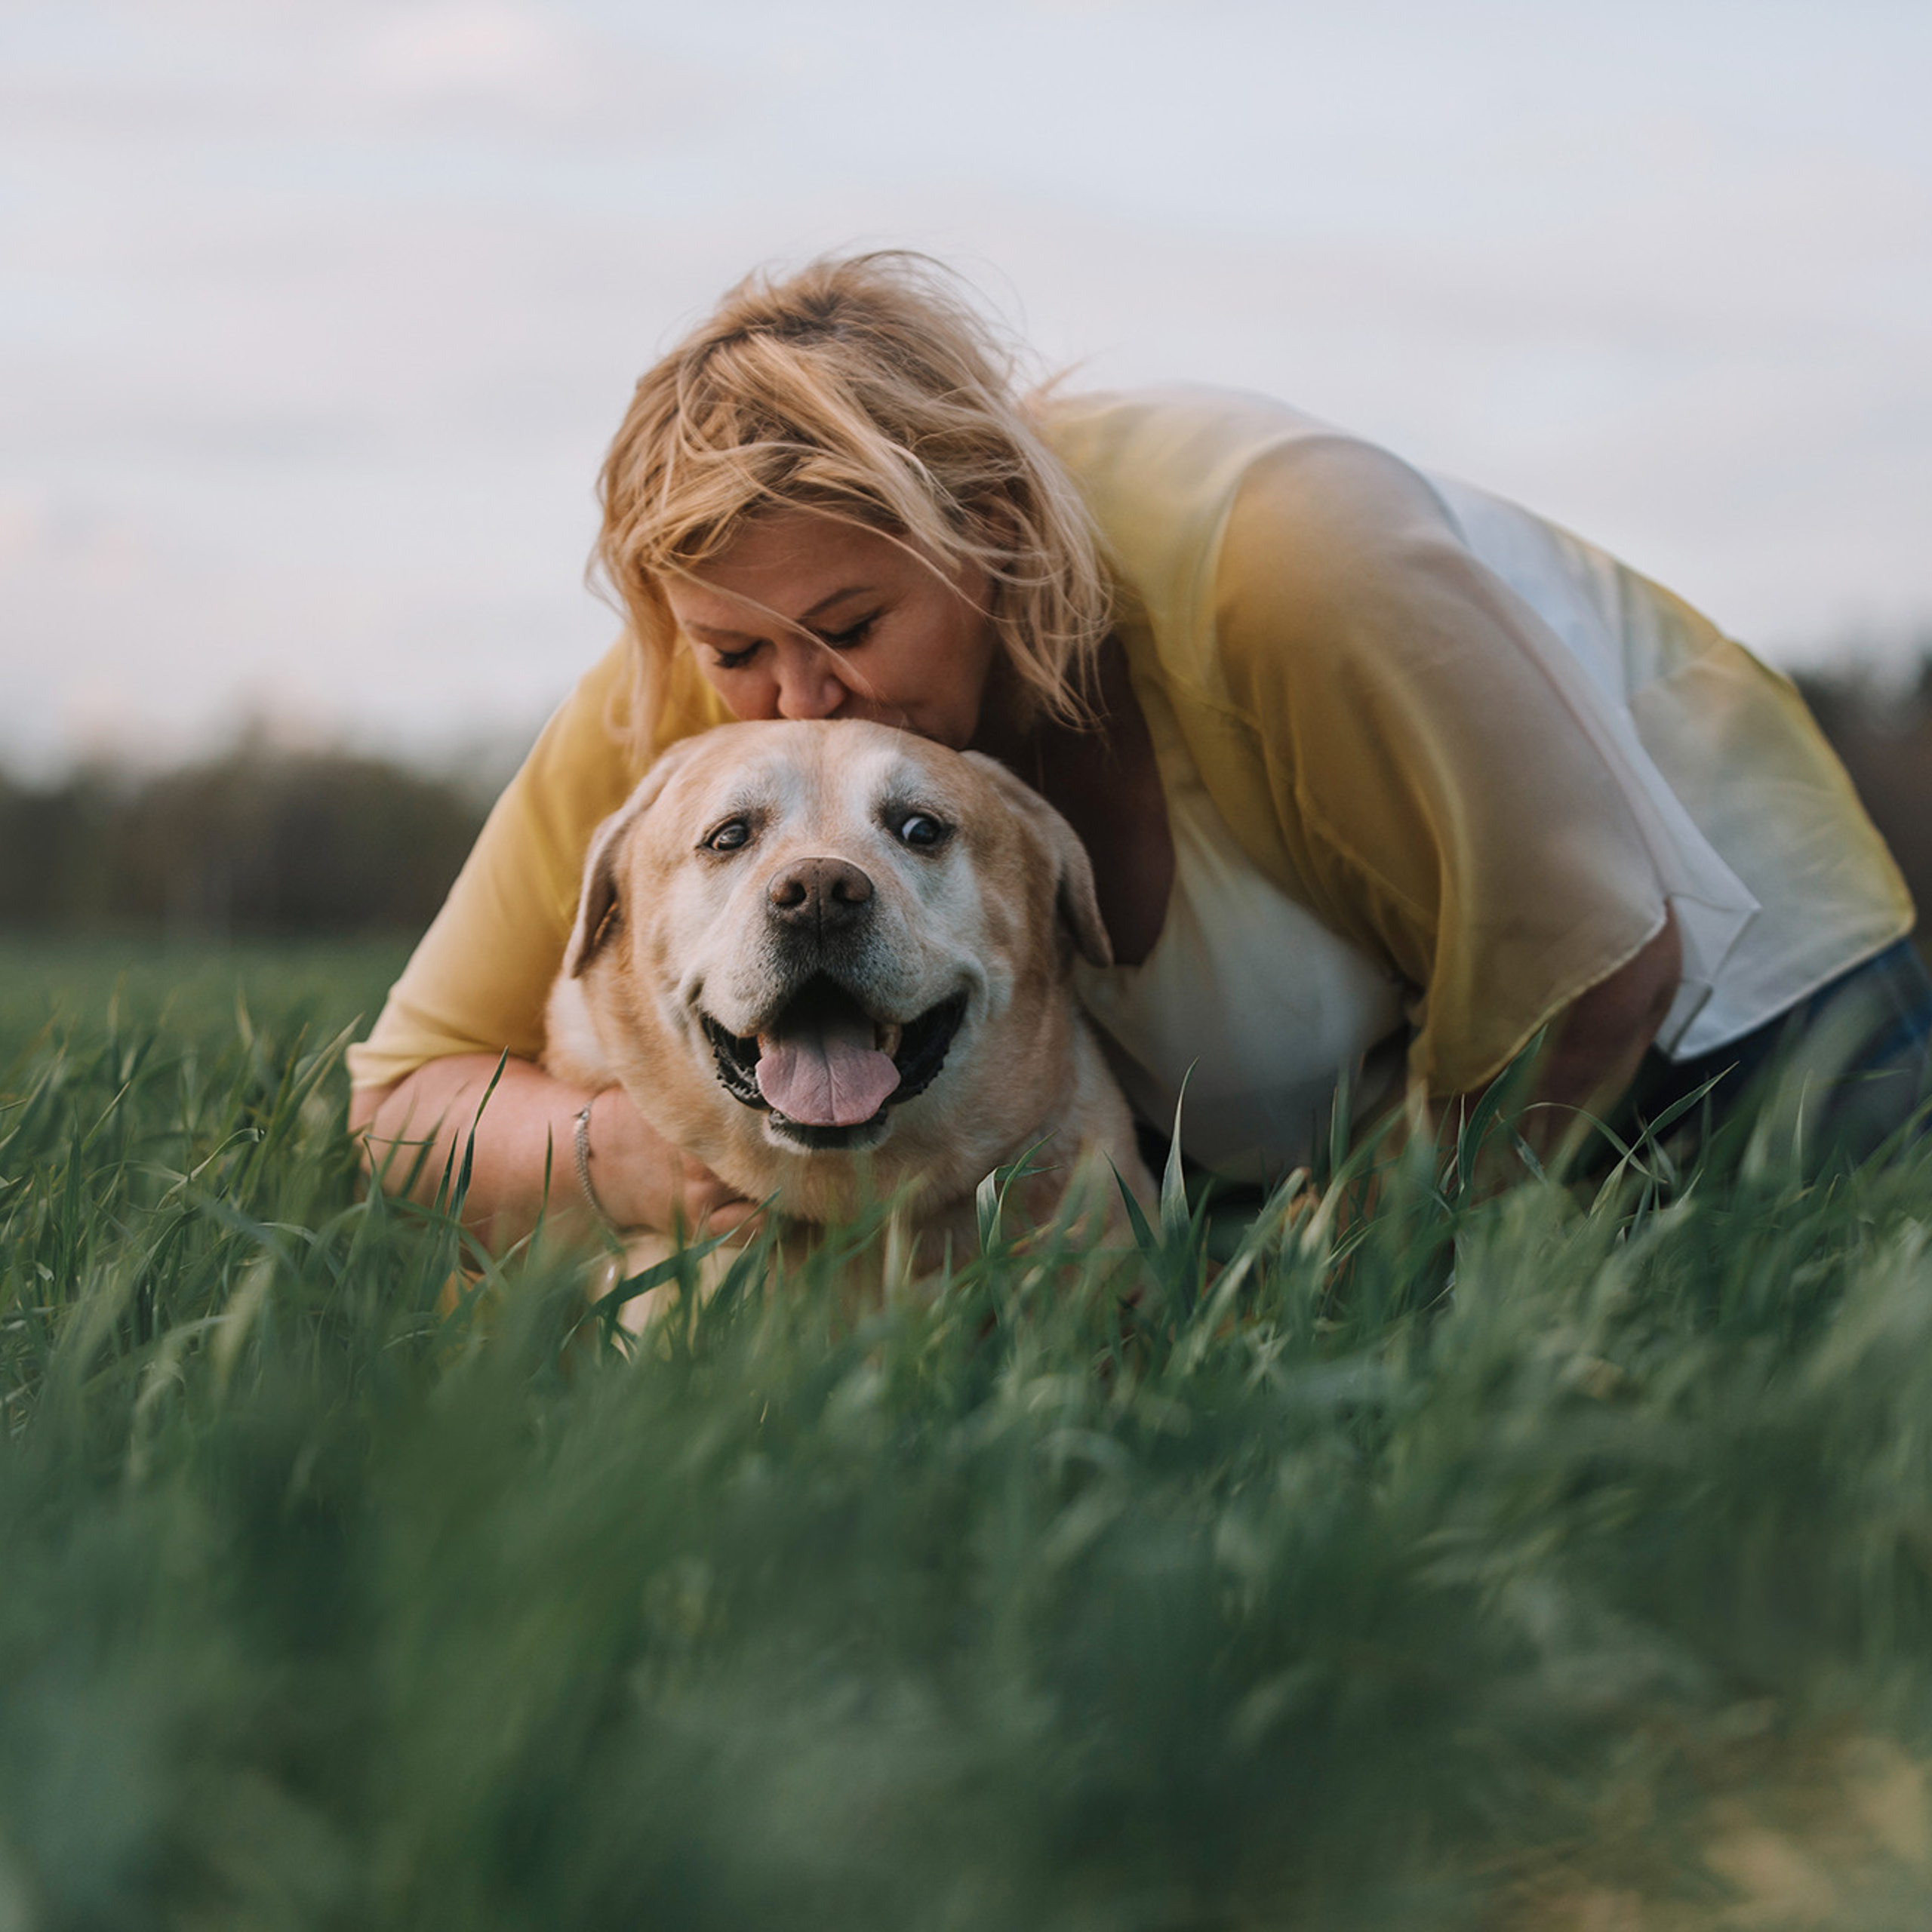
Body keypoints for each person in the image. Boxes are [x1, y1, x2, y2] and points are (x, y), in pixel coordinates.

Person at [347, 253, 1927, 1244]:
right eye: (736, 650)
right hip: (1338, 1123)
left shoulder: (1286, 557)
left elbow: (1597, 978)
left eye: (849, 622)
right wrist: (636, 1158)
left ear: (988, 532)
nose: (799, 704)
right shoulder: (708, 708)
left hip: (1731, 1013)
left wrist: (1355, 1279)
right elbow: (407, 1089)